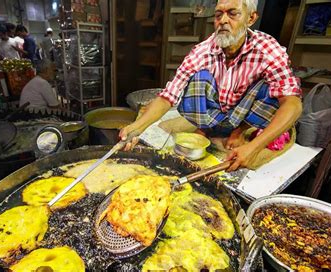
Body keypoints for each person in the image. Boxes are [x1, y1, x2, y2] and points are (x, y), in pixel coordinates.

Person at [120, 0, 303, 172]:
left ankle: (238, 132)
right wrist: (137, 127)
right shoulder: (202, 52)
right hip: (215, 111)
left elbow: (293, 104)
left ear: (251, 18)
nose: (223, 21)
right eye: (218, 15)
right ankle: (205, 128)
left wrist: (254, 147)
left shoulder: (268, 50)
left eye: (233, 14)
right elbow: (168, 96)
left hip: (244, 113)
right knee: (198, 78)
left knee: (272, 88)